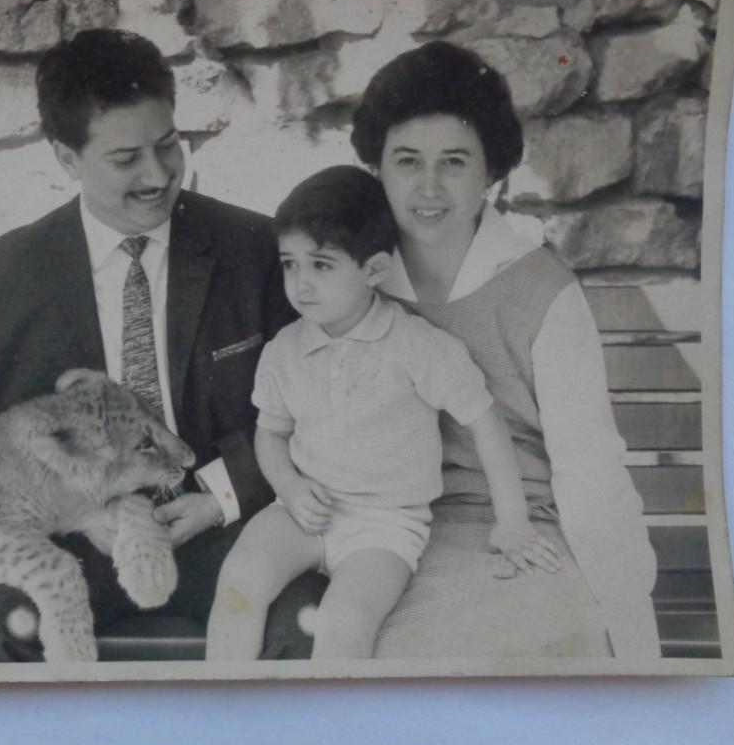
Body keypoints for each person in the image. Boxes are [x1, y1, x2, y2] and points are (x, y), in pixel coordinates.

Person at [0, 28, 324, 662]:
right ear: (66, 158)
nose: (158, 174)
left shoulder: (250, 249)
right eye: (126, 158)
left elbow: (319, 400)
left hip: (229, 529)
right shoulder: (11, 270)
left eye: (169, 145)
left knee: (308, 630)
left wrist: (221, 498)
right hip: (71, 539)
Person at [351, 40, 661, 658]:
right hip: (385, 529)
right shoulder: (355, 280)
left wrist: (629, 621)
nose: (429, 187)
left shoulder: (540, 290)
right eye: (407, 161)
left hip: (518, 529)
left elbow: (588, 468)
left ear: (491, 173)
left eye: (455, 162)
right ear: (377, 167)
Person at [206, 166, 561, 660]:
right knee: (240, 582)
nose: (301, 284)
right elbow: (271, 435)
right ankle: (223, 720)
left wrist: (513, 521)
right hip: (303, 512)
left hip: (385, 526)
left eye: (322, 265)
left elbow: (486, 423)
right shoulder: (284, 350)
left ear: (374, 271)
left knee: (345, 620)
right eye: (290, 264)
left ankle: (334, 734)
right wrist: (289, 485)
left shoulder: (418, 346)